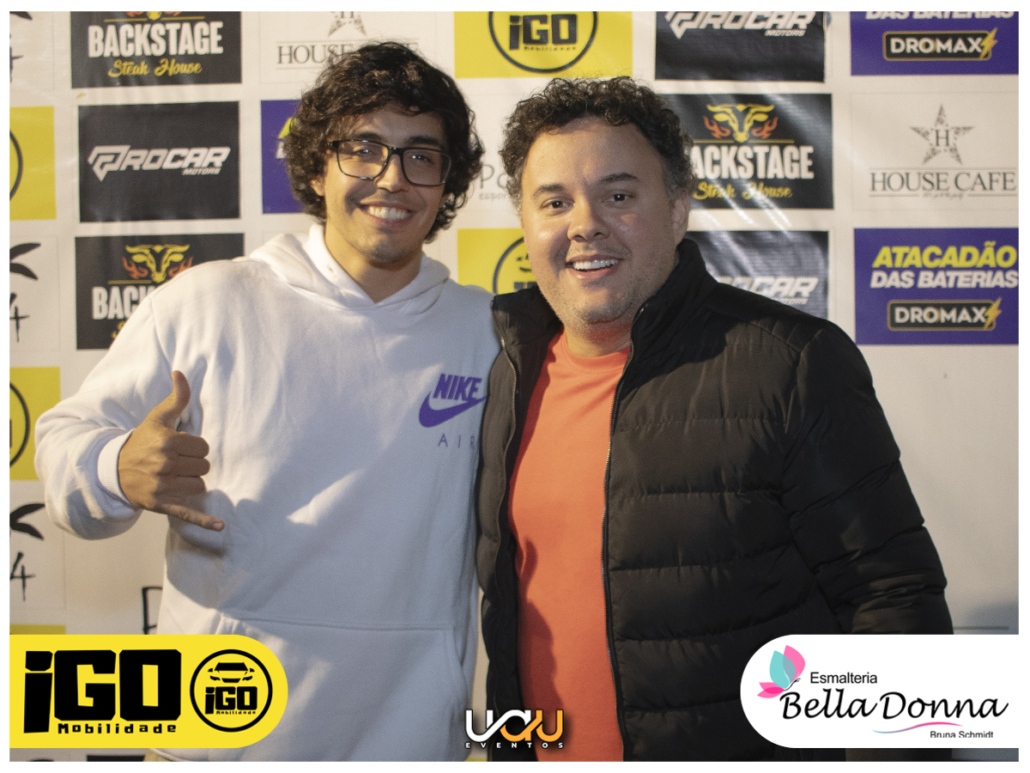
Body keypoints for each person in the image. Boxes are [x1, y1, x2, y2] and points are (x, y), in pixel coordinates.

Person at [35, 42, 497, 761]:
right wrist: (112, 466)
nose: (391, 177)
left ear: (447, 183)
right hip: (217, 736)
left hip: (410, 739)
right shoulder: (208, 300)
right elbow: (64, 440)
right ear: (316, 167)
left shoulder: (487, 331)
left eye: (420, 156)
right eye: (363, 149)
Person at [475, 77, 952, 762]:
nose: (584, 224)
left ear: (678, 209)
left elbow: (894, 600)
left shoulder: (792, 363)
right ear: (525, 223)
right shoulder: (512, 370)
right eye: (554, 202)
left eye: (619, 196)